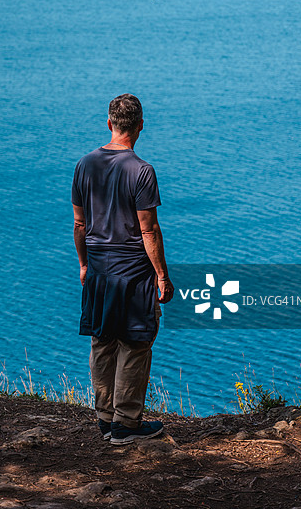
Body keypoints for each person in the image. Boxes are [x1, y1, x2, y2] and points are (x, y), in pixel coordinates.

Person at [72, 94, 174, 445]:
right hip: (133, 273)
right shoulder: (142, 171)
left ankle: (105, 419)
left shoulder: (85, 165)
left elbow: (80, 224)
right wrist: (162, 275)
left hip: (99, 269)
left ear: (109, 123)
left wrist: (84, 265)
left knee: (102, 340)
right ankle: (126, 423)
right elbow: (149, 230)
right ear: (141, 125)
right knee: (135, 342)